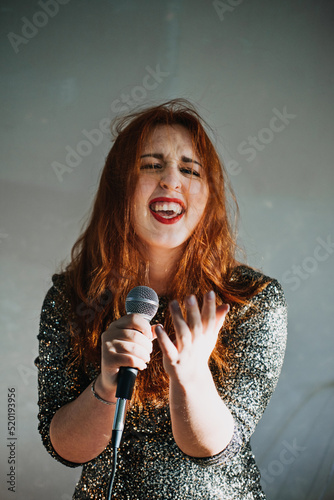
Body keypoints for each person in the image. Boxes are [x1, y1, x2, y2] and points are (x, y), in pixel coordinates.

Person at [35, 99, 288, 499]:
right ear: (120, 187)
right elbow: (64, 448)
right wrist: (105, 384)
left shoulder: (250, 301)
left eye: (190, 170)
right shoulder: (73, 297)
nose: (172, 180)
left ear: (208, 199)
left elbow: (215, 449)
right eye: (152, 165)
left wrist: (191, 376)